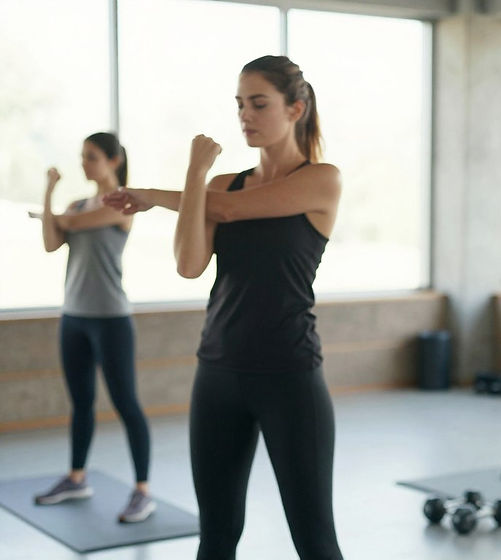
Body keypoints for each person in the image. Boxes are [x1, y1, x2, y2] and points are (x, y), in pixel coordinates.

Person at [103, 55, 343, 560]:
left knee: (315, 543)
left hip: (289, 376)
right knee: (215, 536)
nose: (245, 116)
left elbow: (232, 211)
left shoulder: (321, 180)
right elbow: (189, 265)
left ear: (295, 109)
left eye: (259, 104)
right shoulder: (217, 185)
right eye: (239, 105)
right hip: (217, 372)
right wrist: (196, 174)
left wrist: (154, 194)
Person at [31, 132, 156, 523]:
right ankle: (76, 478)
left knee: (126, 403)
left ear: (113, 160)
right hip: (74, 317)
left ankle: (142, 491)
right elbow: (51, 241)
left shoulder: (122, 204)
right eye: (82, 156)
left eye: (91, 157)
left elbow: (71, 223)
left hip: (112, 320)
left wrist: (53, 216)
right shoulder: (76, 204)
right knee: (81, 403)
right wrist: (49, 193)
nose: (84, 163)